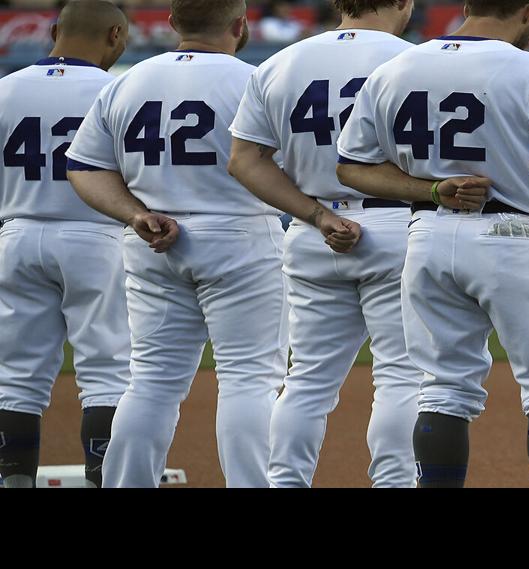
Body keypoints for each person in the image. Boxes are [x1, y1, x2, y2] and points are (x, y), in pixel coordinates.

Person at [337, 0, 529, 488]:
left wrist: (431, 189)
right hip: (519, 235)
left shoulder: (396, 67)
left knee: (442, 391)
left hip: (429, 236)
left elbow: (350, 166)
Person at [66, 0, 288, 488]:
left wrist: (135, 214)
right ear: (239, 24)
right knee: (249, 380)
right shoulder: (256, 80)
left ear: (171, 23)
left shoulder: (129, 80)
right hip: (240, 235)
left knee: (149, 383)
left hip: (152, 238)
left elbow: (82, 166)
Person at [227, 0, 423, 488]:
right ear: (403, 3)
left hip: (314, 229)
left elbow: (245, 161)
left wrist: (316, 216)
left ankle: (284, 482)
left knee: (308, 382)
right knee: (402, 375)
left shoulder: (281, 62)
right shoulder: (413, 60)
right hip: (398, 224)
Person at [0, 0, 130, 489]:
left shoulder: (4, 89)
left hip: (17, 233)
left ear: (54, 30)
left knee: (15, 376)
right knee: (107, 369)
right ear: (116, 35)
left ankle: (15, 481)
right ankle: (104, 479)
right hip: (96, 236)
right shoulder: (117, 89)